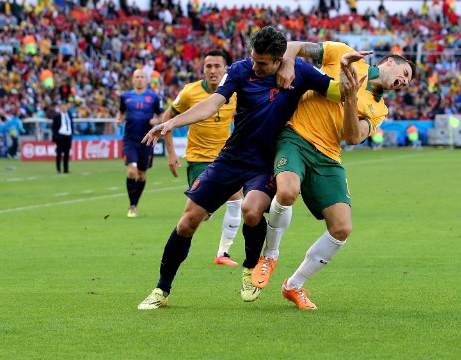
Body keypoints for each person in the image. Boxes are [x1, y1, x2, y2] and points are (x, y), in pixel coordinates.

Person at [137, 26, 350, 310]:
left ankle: (251, 266)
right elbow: (213, 103)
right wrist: (172, 123)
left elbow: (338, 92)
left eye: (262, 62)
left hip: (265, 162)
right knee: (188, 221)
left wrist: (356, 77)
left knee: (251, 210)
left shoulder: (301, 72)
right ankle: (161, 289)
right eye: (253, 58)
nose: (255, 65)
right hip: (232, 157)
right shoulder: (239, 70)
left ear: (278, 59)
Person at [250, 41, 416, 310]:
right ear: (389, 62)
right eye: (404, 74)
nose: (404, 82)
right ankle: (269, 256)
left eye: (407, 82)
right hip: (296, 135)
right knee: (288, 191)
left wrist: (350, 98)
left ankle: (293, 285)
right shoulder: (342, 53)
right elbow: (292, 46)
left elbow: (351, 137)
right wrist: (289, 64)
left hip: (328, 156)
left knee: (342, 228)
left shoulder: (379, 109)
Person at [160, 49, 242, 267]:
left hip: (225, 158)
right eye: (209, 66)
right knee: (199, 216)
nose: (213, 71)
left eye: (217, 66)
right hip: (199, 161)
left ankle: (223, 254)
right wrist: (171, 153)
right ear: (203, 69)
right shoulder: (189, 92)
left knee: (237, 198)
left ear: (226, 69)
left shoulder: (235, 92)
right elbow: (167, 118)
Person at [115, 68, 163, 218]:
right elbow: (121, 112)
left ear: (146, 80)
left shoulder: (153, 97)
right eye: (137, 77)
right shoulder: (125, 96)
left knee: (142, 175)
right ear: (133, 80)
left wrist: (157, 120)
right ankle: (132, 205)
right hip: (130, 140)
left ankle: (135, 202)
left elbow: (162, 115)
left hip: (146, 141)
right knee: (131, 171)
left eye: (142, 77)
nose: (140, 79)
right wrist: (119, 119)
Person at [52, 103, 73, 174]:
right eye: (63, 107)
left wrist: (71, 133)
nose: (65, 109)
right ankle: (58, 169)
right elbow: (54, 127)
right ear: (61, 108)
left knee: (67, 153)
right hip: (61, 135)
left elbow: (71, 125)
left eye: (65, 107)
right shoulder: (57, 116)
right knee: (59, 153)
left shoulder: (69, 115)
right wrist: (56, 136)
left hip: (68, 135)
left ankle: (66, 169)